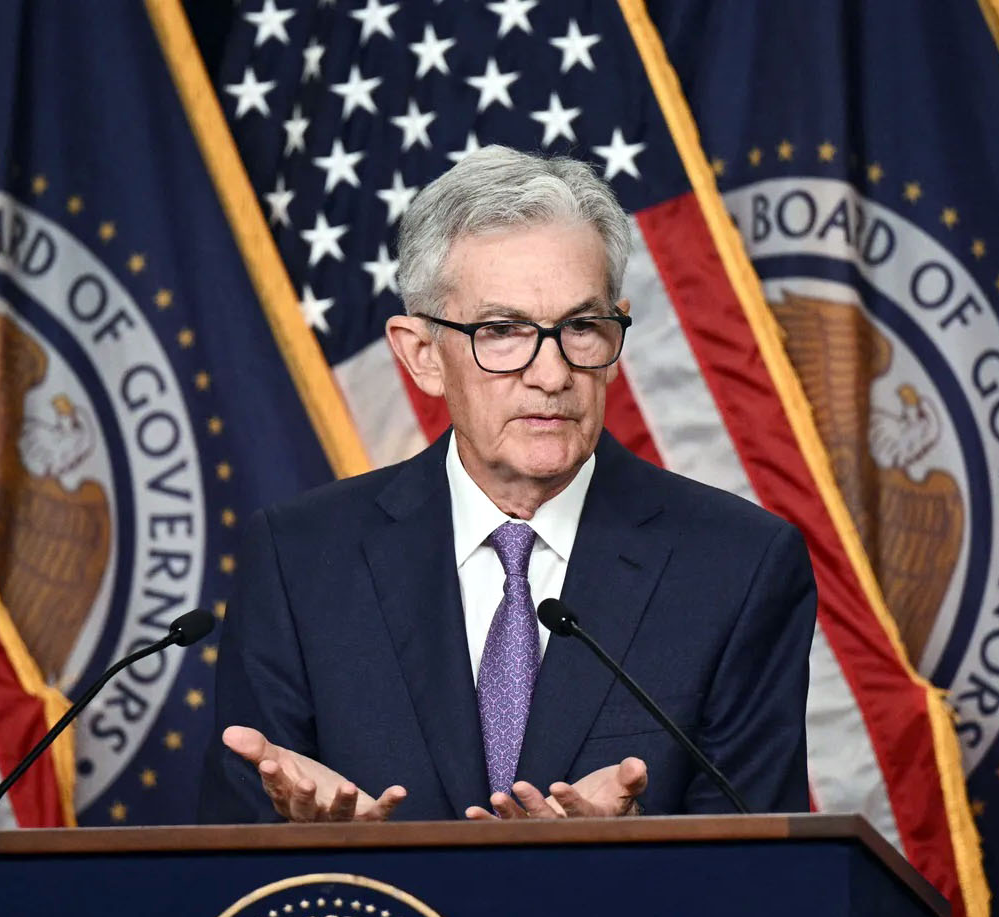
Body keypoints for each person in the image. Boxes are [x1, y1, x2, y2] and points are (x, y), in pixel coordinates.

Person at [199, 146, 815, 823]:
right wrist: (316, 844)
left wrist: (630, 850)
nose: (551, 374)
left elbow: (761, 863)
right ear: (422, 355)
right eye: (501, 331)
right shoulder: (297, 561)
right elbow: (232, 852)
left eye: (582, 327)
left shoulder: (738, 566)